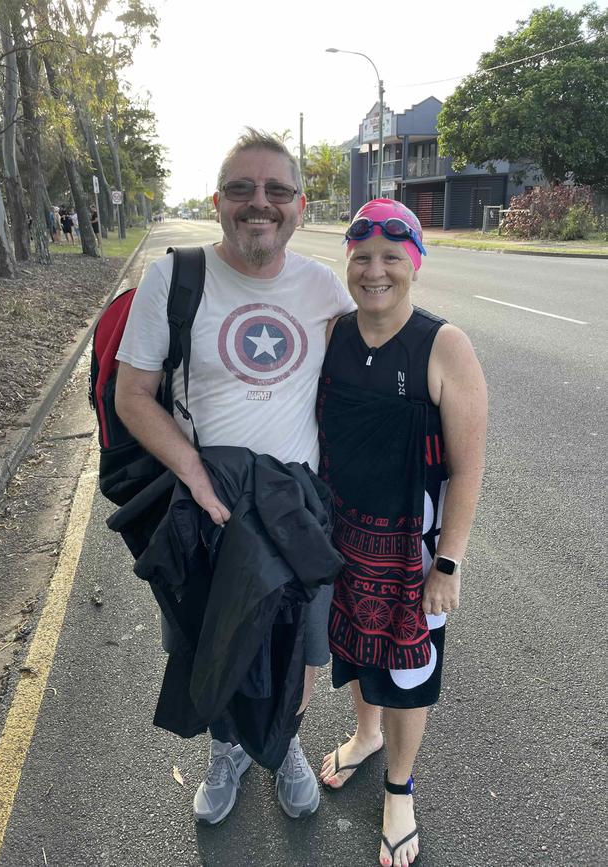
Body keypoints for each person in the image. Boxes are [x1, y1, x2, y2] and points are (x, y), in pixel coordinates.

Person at [114, 129, 354, 825]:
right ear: (218, 202)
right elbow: (134, 393)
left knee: (299, 644)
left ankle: (283, 744)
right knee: (208, 637)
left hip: (294, 507)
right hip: (203, 504)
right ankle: (230, 750)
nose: (261, 203)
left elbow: (361, 383)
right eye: (243, 189)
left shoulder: (322, 288)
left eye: (277, 190)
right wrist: (190, 471)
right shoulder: (175, 277)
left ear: (300, 206)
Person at [316, 199, 487, 867]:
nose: (375, 270)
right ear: (349, 263)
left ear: (414, 264)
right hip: (344, 540)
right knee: (358, 651)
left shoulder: (443, 345)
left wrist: (449, 563)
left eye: (392, 257)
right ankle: (365, 736)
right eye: (362, 257)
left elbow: (469, 467)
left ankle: (399, 787)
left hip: (414, 553)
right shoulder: (334, 334)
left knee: (408, 670)